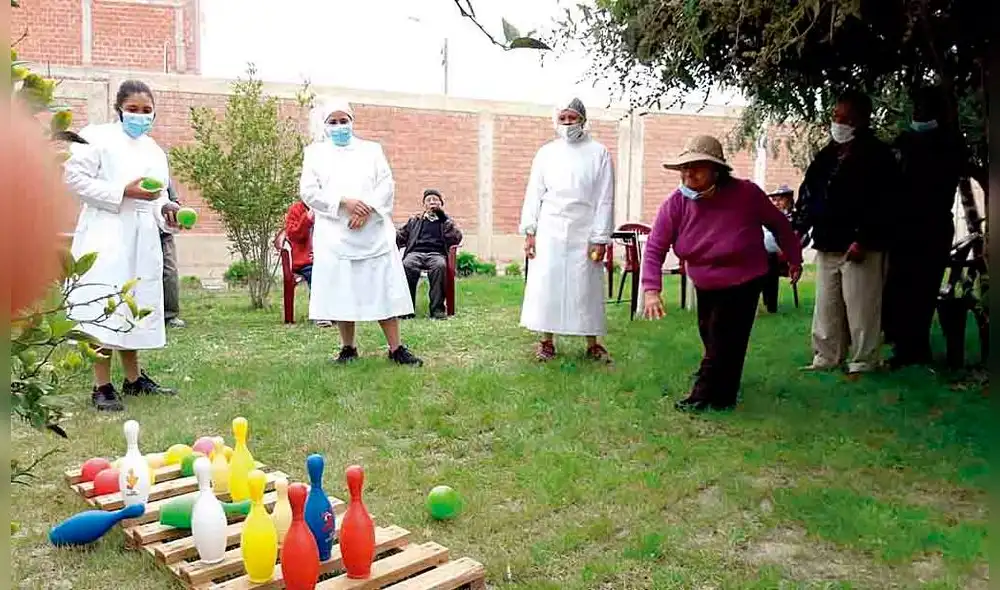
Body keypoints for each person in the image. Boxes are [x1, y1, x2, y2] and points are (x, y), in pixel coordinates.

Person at [642, 135, 802, 412]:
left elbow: (779, 224)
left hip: (745, 277)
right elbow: (655, 246)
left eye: (696, 167)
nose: (688, 173)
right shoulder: (676, 204)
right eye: (684, 168)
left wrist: (794, 258)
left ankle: (701, 397)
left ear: (716, 170)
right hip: (705, 281)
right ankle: (724, 393)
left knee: (724, 336)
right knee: (713, 336)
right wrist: (651, 289)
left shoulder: (747, 194)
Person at [63, 79, 180, 411]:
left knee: (133, 304)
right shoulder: (96, 138)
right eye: (133, 110)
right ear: (119, 109)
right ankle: (101, 385)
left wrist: (167, 212)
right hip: (105, 233)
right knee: (105, 303)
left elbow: (156, 200)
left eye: (146, 111)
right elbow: (73, 179)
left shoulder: (154, 151)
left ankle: (134, 379)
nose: (140, 116)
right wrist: (121, 191)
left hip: (142, 238)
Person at [299, 97, 422, 366]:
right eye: (333, 122)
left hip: (373, 232)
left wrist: (366, 211)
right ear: (325, 125)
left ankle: (396, 348)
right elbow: (309, 192)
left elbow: (386, 184)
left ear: (352, 122)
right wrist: (344, 203)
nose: (339, 126)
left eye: (344, 121)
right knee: (343, 290)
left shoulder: (372, 151)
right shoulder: (315, 154)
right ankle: (348, 347)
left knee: (382, 288)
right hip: (335, 235)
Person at [793, 90, 897, 375]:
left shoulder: (879, 156)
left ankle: (864, 362)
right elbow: (809, 194)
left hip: (860, 245)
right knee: (826, 308)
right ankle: (826, 357)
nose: (838, 123)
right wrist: (799, 230)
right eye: (835, 116)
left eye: (845, 118)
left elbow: (884, 202)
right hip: (827, 242)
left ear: (861, 120)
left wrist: (864, 238)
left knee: (862, 308)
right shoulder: (827, 155)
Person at [519, 97, 614, 362]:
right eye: (563, 118)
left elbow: (605, 198)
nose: (568, 123)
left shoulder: (599, 153)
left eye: (573, 118)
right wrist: (530, 231)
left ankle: (593, 343)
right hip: (550, 228)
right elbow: (534, 193)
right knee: (548, 284)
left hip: (585, 229)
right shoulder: (546, 153)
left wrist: (600, 237)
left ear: (583, 119)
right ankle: (546, 341)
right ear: (556, 120)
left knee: (586, 286)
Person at [883, 87, 965, 368]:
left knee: (919, 289)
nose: (917, 115)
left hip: (926, 227)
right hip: (911, 227)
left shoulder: (941, 144)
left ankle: (912, 348)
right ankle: (906, 345)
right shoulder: (915, 142)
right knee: (904, 288)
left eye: (923, 110)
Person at [396, 189, 463, 319]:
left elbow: (456, 238)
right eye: (428, 200)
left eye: (435, 200)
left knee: (440, 266)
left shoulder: (446, 221)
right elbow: (400, 237)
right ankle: (406, 309)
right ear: (424, 205)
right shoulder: (415, 221)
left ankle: (437, 310)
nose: (432, 202)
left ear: (441, 204)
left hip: (436, 254)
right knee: (407, 265)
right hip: (415, 253)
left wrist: (444, 219)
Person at [761, 185, 795, 313]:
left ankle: (771, 305)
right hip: (763, 252)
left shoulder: (794, 217)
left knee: (770, 260)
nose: (777, 203)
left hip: (783, 256)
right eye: (774, 200)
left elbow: (802, 238)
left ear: (789, 200)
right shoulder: (769, 217)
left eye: (780, 199)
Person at [161, 179, 185, 328]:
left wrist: (177, 216)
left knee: (169, 272)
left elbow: (175, 203)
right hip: (137, 232)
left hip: (163, 232)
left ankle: (170, 315)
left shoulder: (162, 175)